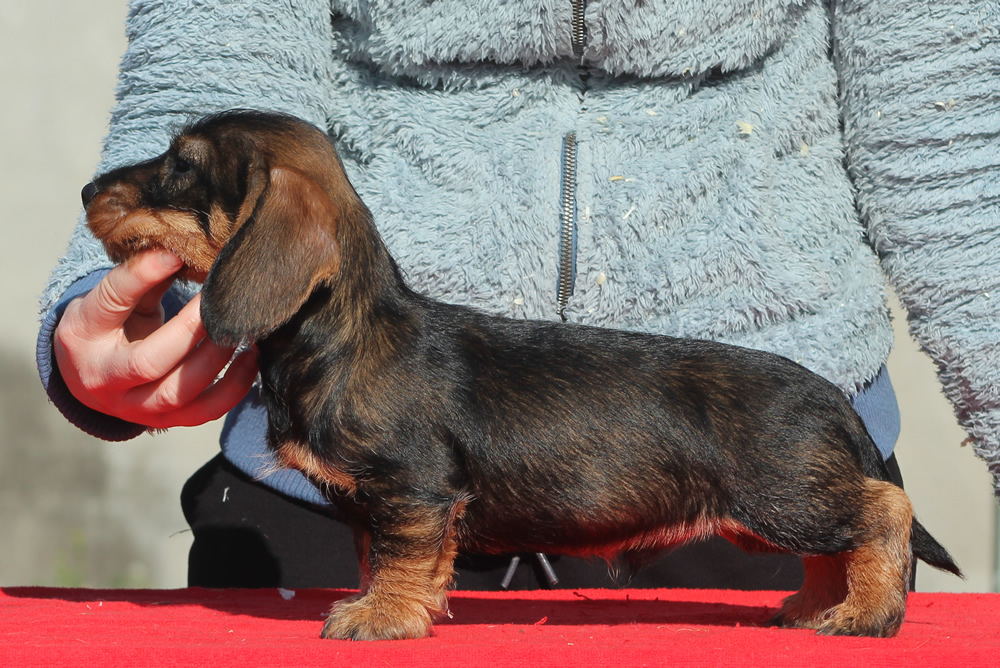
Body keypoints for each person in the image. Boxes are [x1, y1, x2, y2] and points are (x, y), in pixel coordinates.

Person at [38, 1, 999, 590]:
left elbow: (954, 141)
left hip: (737, 442)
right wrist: (109, 315)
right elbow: (217, 95)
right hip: (332, 505)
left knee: (835, 522)